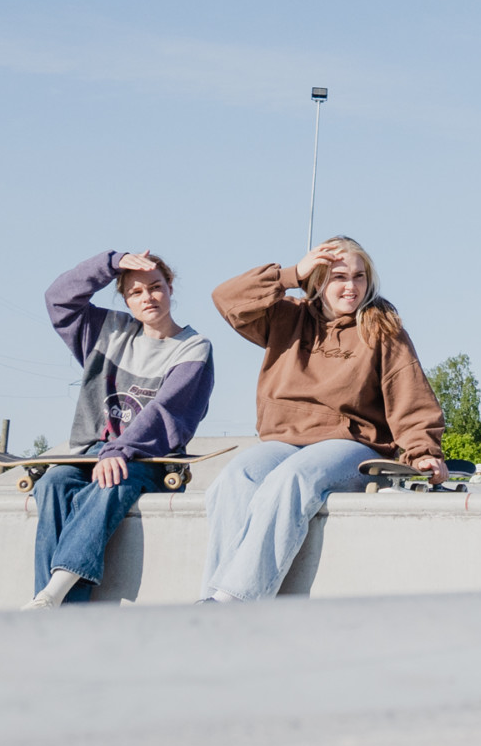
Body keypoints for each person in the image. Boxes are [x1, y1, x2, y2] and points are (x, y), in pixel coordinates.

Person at [201, 239, 444, 603]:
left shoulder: (381, 329)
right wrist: (289, 275)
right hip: (284, 439)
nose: (351, 286)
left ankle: (233, 603)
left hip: (349, 444)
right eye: (338, 276)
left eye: (359, 277)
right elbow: (226, 298)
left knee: (294, 478)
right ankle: (211, 598)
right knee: (236, 477)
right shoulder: (285, 317)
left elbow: (409, 396)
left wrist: (422, 451)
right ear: (316, 281)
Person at [27, 250, 216, 608]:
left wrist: (121, 450)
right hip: (90, 453)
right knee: (52, 483)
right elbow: (58, 298)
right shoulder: (106, 331)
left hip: (149, 458)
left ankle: (51, 596)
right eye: (136, 292)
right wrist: (110, 262)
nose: (148, 298)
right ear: (125, 299)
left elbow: (167, 410)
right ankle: (58, 606)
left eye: (156, 287)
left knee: (110, 480)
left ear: (170, 288)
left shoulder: (194, 347)